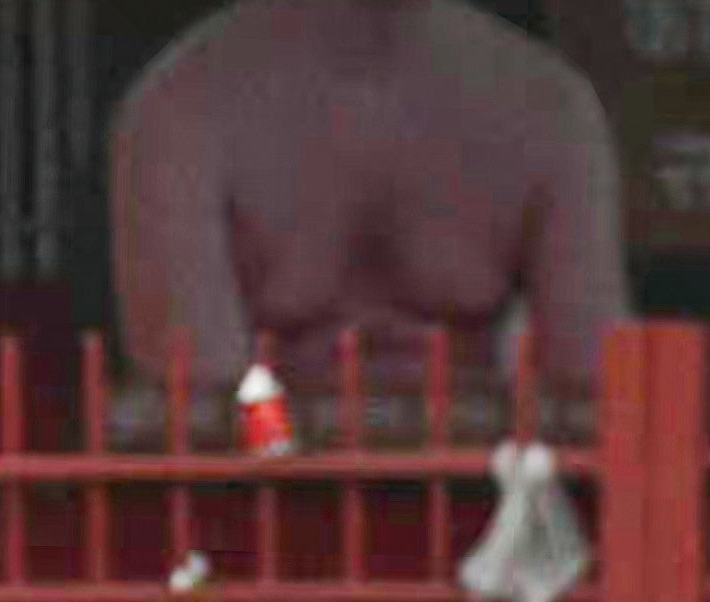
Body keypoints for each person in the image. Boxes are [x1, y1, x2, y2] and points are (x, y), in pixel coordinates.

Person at [111, 0, 627, 422]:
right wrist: (293, 456)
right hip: (256, 511)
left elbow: (596, 394)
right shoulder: (184, 108)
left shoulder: (549, 108)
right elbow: (195, 403)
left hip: (482, 507)